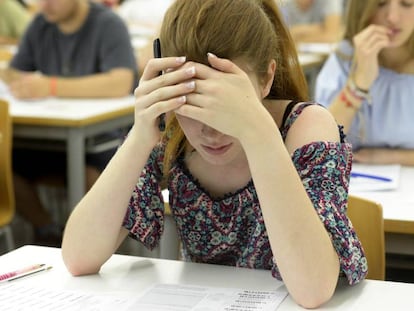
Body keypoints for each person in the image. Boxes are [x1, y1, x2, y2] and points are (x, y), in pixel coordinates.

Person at [62, 0, 366, 308]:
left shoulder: (305, 126)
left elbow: (312, 290)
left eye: (226, 103)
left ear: (266, 78)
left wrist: (258, 133)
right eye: (193, 103)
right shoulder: (170, 134)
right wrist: (141, 135)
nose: (210, 130)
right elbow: (78, 258)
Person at [5, 0, 138, 246]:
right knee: (5, 166)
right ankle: (48, 231)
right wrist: (21, 82)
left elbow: (121, 81)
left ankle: (99, 246)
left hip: (101, 138)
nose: (44, 5)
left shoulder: (108, 24)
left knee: (91, 173)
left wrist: (51, 86)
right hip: (47, 138)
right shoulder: (41, 25)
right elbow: (13, 70)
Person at [315, 0, 414, 166]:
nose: (392, 17)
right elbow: (318, 144)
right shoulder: (345, 57)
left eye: (407, 4)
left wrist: (389, 157)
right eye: (381, 4)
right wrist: (359, 82)